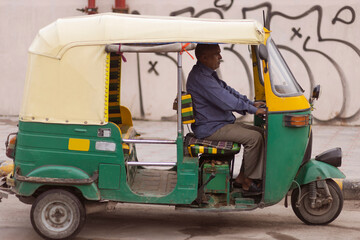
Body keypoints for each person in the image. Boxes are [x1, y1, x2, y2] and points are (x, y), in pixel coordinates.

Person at [186, 43, 266, 194]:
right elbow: (226, 101)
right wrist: (254, 110)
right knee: (254, 138)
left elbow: (228, 91)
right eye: (217, 54)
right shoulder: (202, 78)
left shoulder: (207, 73)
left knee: (260, 132)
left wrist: (251, 103)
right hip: (211, 129)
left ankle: (242, 178)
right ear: (204, 58)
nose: (220, 57)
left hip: (218, 124)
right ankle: (249, 182)